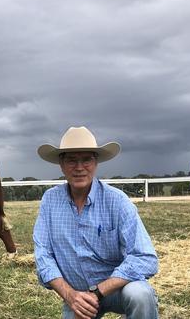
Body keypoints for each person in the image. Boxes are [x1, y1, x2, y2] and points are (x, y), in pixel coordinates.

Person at [33, 126, 159, 319]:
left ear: (96, 162)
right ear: (61, 164)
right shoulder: (50, 201)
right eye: (71, 160)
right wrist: (71, 295)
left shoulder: (117, 201)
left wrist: (99, 291)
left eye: (86, 159)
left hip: (117, 289)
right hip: (77, 297)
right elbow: (43, 256)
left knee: (140, 295)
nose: (79, 167)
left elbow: (145, 258)